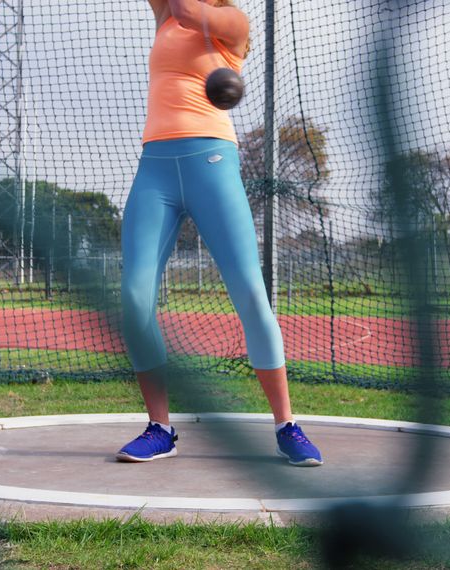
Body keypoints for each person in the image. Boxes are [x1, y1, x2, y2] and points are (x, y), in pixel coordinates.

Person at [115, 0, 322, 466]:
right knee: (133, 297)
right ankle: (160, 428)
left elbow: (191, 12)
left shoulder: (232, 21)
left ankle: (287, 426)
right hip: (155, 169)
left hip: (212, 161)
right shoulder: (165, 15)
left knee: (250, 291)